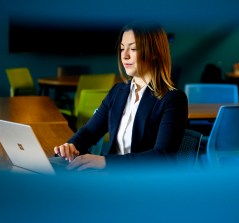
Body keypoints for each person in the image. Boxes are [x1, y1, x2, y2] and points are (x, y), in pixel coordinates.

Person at [54, 21, 188, 171]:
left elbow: (163, 156)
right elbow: (89, 132)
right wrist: (71, 145)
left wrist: (105, 162)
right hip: (111, 178)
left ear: (155, 53)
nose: (124, 55)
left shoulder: (173, 99)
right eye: (122, 48)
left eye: (133, 48)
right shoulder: (117, 92)